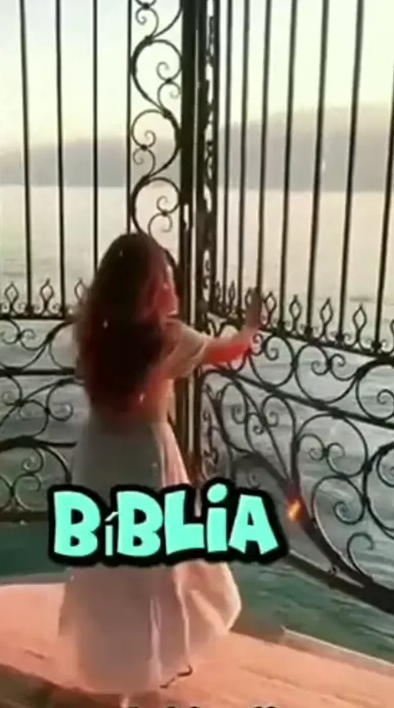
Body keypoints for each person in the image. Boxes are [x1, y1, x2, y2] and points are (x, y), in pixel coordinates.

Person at [56, 232, 261, 708]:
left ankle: (112, 674)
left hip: (97, 456)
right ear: (149, 290)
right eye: (166, 278)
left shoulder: (93, 335)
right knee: (157, 573)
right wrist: (251, 326)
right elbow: (232, 350)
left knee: (107, 566)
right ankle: (146, 675)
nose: (174, 286)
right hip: (146, 460)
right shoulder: (169, 338)